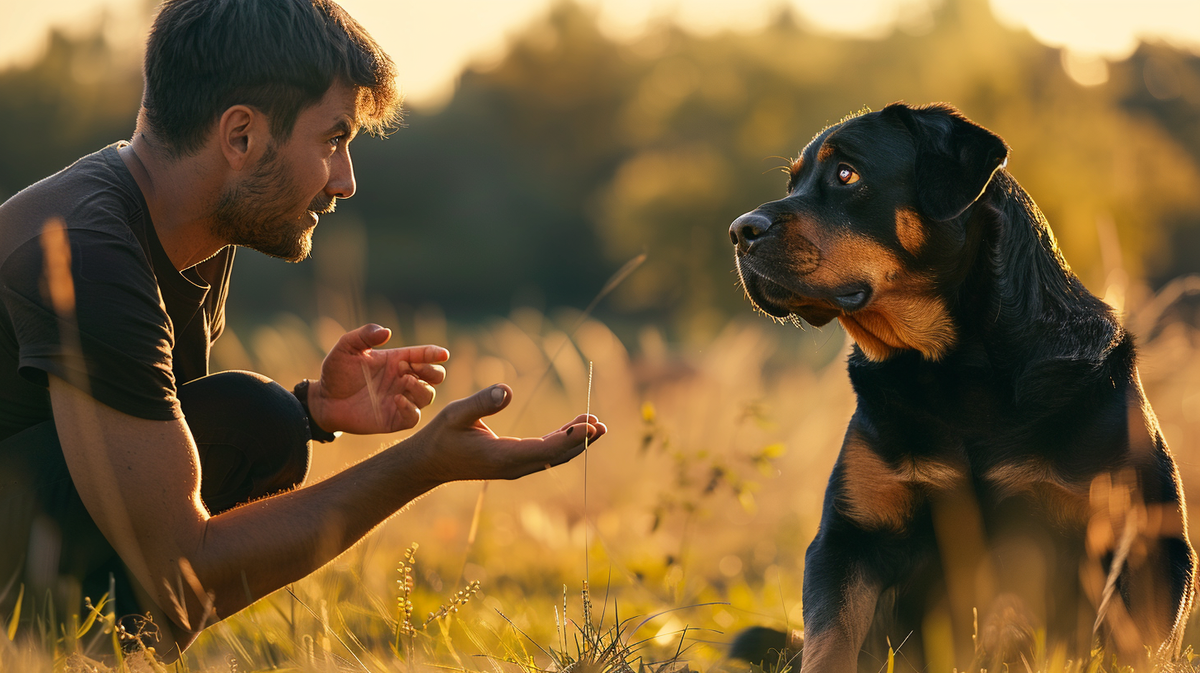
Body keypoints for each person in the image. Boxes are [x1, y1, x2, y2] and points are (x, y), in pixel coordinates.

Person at [0, 0, 606, 661]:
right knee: (252, 419)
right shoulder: (86, 250)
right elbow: (175, 574)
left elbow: (138, 460)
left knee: (261, 420)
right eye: (333, 140)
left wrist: (311, 410)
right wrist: (422, 465)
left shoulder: (192, 220)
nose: (345, 181)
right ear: (241, 137)